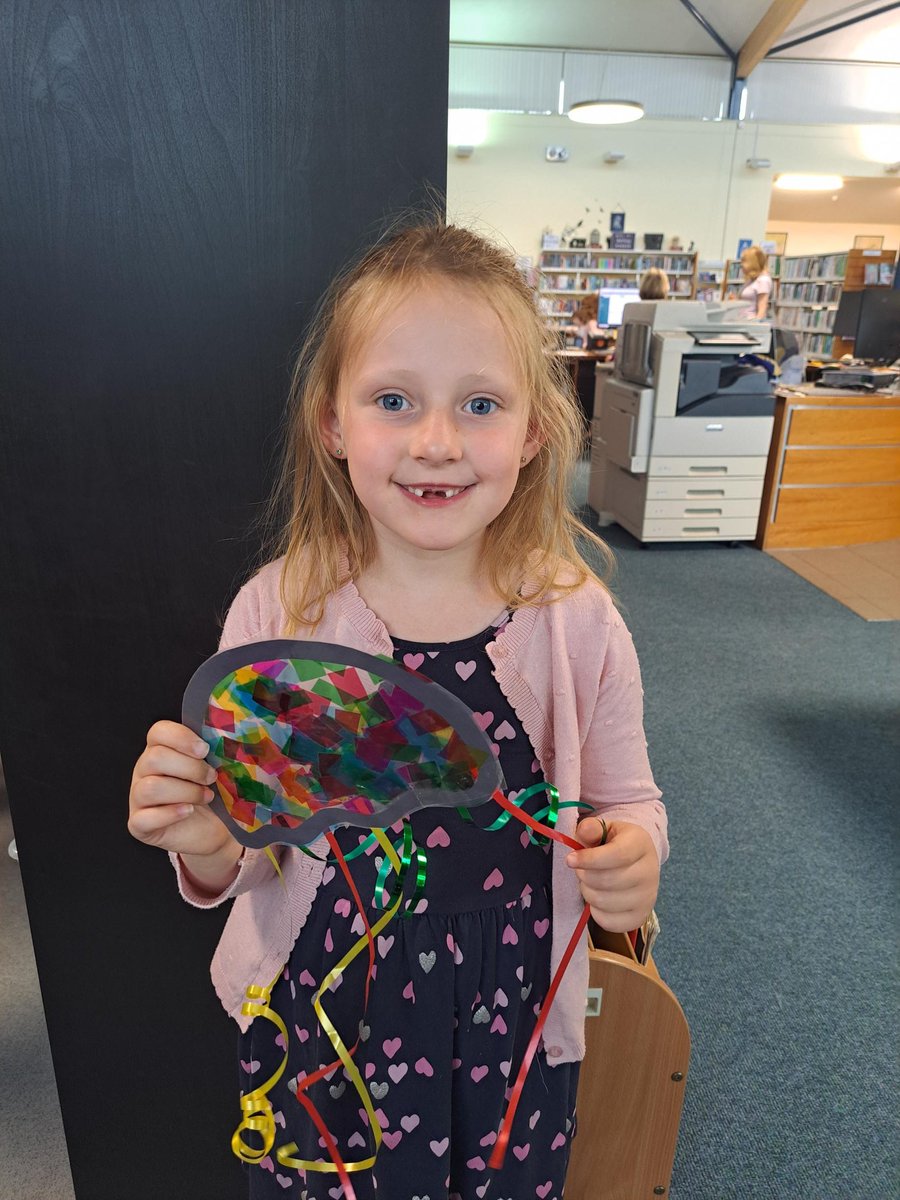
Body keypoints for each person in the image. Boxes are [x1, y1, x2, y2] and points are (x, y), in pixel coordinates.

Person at [128, 219, 668, 1199]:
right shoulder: (277, 612)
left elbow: (631, 803)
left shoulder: (576, 621)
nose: (436, 441)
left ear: (534, 429)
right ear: (331, 423)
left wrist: (632, 860)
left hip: (510, 1013)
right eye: (393, 400)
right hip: (329, 1006)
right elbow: (253, 844)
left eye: (479, 403)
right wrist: (206, 837)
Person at [738, 245, 773, 319]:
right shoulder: (752, 280)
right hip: (743, 321)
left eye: (744, 261)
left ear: (753, 262)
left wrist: (755, 328)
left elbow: (762, 311)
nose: (741, 264)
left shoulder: (763, 280)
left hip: (751, 325)